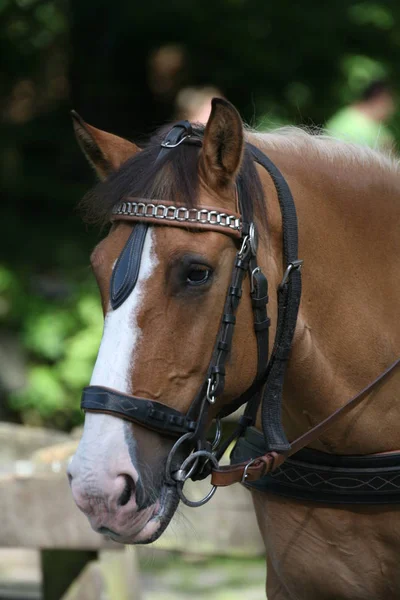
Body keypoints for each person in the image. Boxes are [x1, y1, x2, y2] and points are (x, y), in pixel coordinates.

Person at [325, 80, 396, 151]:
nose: (392, 109)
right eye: (389, 102)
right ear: (380, 101)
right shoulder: (379, 134)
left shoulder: (342, 116)